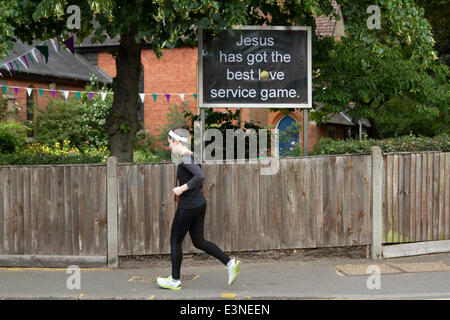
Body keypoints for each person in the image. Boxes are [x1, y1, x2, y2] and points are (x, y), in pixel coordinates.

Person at [156, 128, 241, 290]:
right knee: (199, 241)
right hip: (199, 204)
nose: (169, 147)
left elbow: (200, 176)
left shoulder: (186, 159)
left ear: (176, 142)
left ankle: (174, 280)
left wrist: (181, 189)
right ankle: (230, 263)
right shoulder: (191, 156)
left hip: (188, 206)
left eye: (170, 143)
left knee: (175, 241)